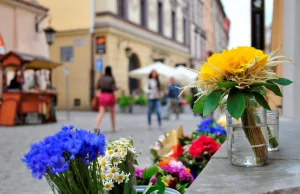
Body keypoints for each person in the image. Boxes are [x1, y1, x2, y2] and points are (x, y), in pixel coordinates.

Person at [94, 66, 117, 133]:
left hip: (102, 96)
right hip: (110, 95)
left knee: (101, 112)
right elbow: (114, 88)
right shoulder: (111, 78)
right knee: (112, 112)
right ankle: (113, 127)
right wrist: (118, 87)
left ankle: (96, 125)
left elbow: (98, 86)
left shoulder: (101, 78)